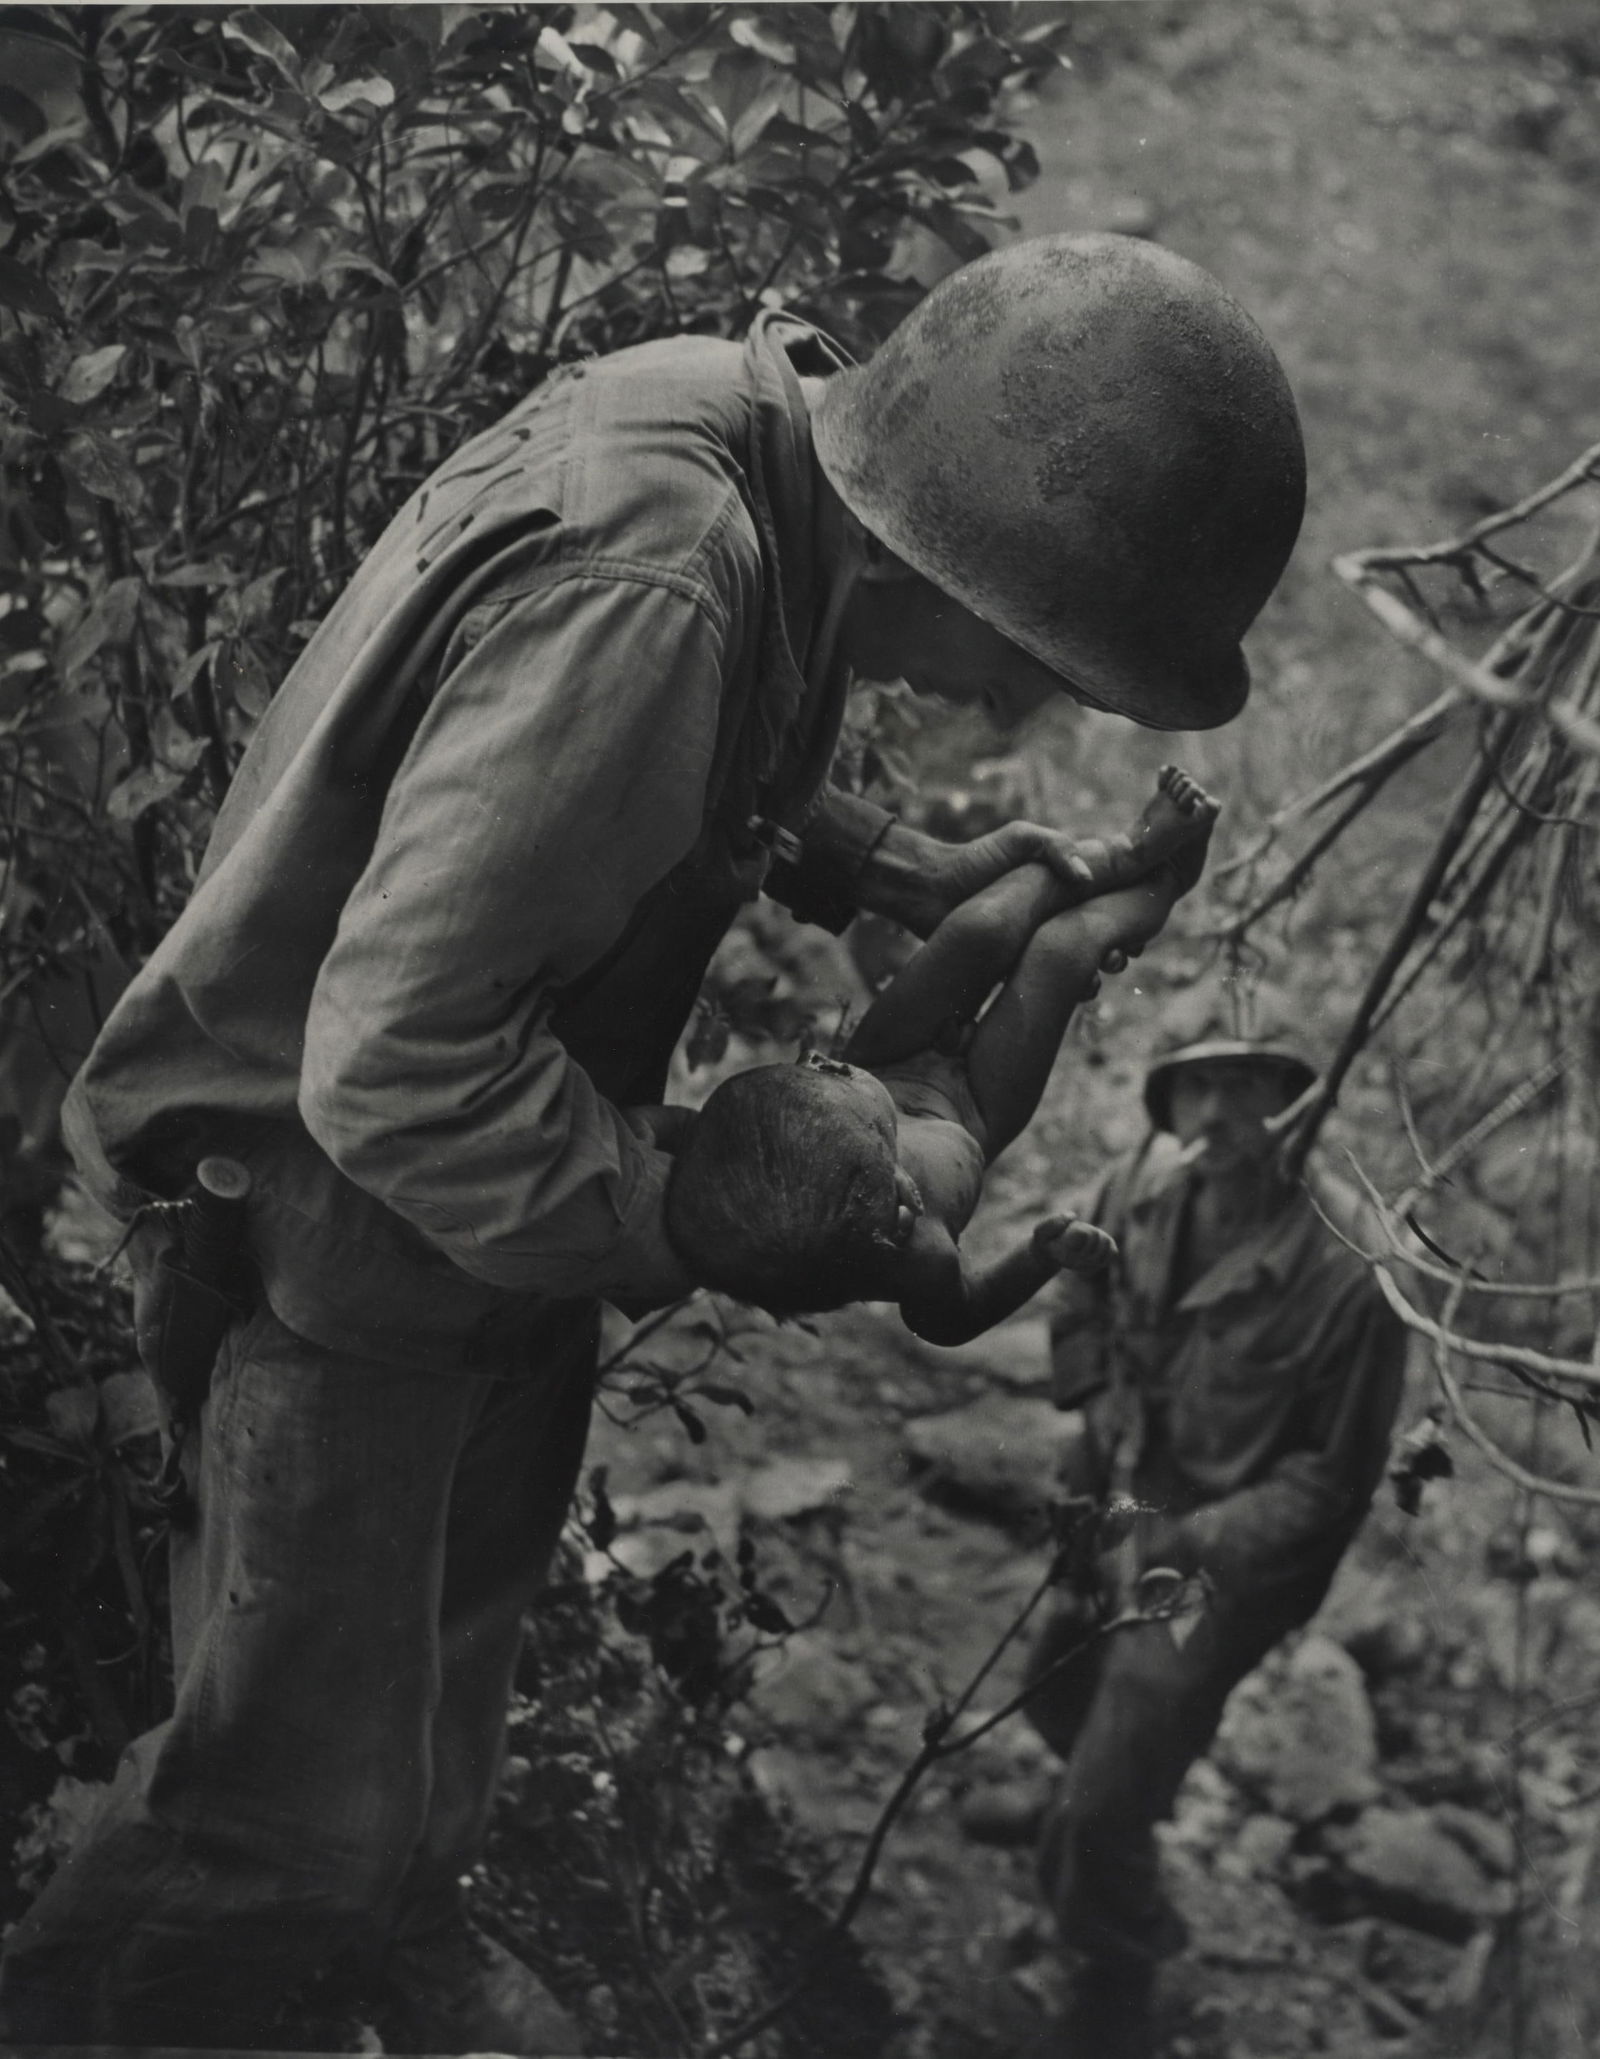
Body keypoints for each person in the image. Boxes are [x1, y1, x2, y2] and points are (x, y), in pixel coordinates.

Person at [0, 233, 1306, 2054]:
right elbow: (397, 1068)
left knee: (445, 1688)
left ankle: (401, 1940)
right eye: (1044, 662)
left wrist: (895, 866)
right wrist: (707, 1215)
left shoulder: (752, 449)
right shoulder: (661, 581)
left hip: (486, 1222)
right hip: (333, 1243)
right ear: (944, 561)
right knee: (278, 1819)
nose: (1029, 710)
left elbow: (649, 758)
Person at [1017, 1017, 1408, 2053]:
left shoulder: (1351, 1277)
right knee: (1054, 1674)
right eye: (1196, 1087)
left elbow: (1331, 1483)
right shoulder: (1139, 1189)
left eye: (1247, 1085)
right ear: (1169, 1105)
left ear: (1295, 1107)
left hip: (1230, 1561)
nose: (1218, 1112)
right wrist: (1090, 1399)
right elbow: (1079, 1283)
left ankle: (1116, 1966)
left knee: (1118, 1768)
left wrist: (1192, 1541)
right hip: (1126, 1488)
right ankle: (1087, 1819)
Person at [666, 767, 1218, 1341]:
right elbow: (957, 1320)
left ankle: (1127, 851)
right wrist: (1039, 1257)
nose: (822, 1061)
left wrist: (648, 1127)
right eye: (834, 1076)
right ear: (902, 1196)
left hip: (890, 1054)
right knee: (1062, 950)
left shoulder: (741, 1177)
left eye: (812, 1070)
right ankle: (1169, 878)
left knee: (982, 926)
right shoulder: (922, 1255)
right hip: (975, 1104)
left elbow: (681, 1132)